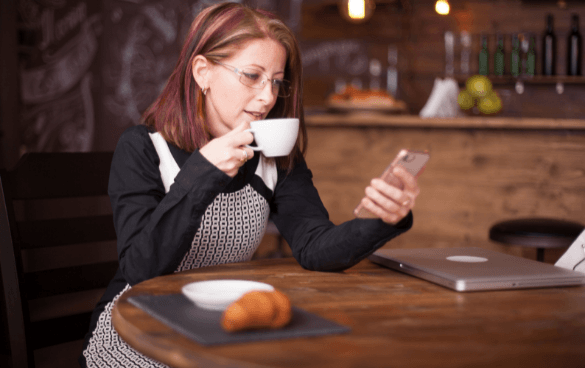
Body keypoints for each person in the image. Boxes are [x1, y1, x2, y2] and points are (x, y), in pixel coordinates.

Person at [80, 2, 420, 367]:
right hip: (139, 329)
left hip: (223, 328)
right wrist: (204, 172)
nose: (268, 97)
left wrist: (384, 219)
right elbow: (140, 268)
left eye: (276, 81)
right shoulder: (144, 149)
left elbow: (315, 247)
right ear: (202, 72)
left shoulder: (271, 155)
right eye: (252, 76)